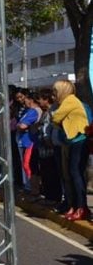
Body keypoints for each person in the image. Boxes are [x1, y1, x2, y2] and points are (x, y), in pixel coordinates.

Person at [51, 80, 90, 221]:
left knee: (76, 173)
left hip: (79, 140)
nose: (53, 95)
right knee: (71, 174)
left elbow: (55, 117)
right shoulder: (68, 102)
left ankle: (81, 207)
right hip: (72, 141)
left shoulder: (70, 101)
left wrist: (56, 120)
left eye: (55, 91)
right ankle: (74, 205)